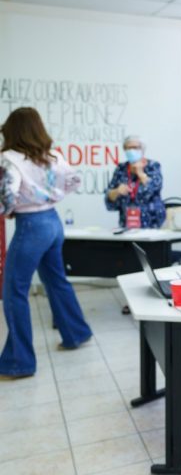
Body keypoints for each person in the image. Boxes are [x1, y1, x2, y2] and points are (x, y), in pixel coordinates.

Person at [0, 107, 93, 380]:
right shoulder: (52, 156)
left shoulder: (9, 158)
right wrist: (51, 196)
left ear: (13, 131)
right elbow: (74, 179)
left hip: (30, 226)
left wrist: (12, 209)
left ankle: (19, 362)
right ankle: (76, 333)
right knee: (56, 280)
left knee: (14, 291)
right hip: (53, 221)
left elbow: (6, 198)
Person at [104, 135, 165, 229]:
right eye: (128, 148)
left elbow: (154, 188)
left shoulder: (153, 166)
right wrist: (117, 191)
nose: (132, 151)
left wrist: (140, 173)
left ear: (142, 149)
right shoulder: (121, 168)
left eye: (136, 147)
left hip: (152, 225)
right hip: (127, 225)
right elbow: (109, 201)